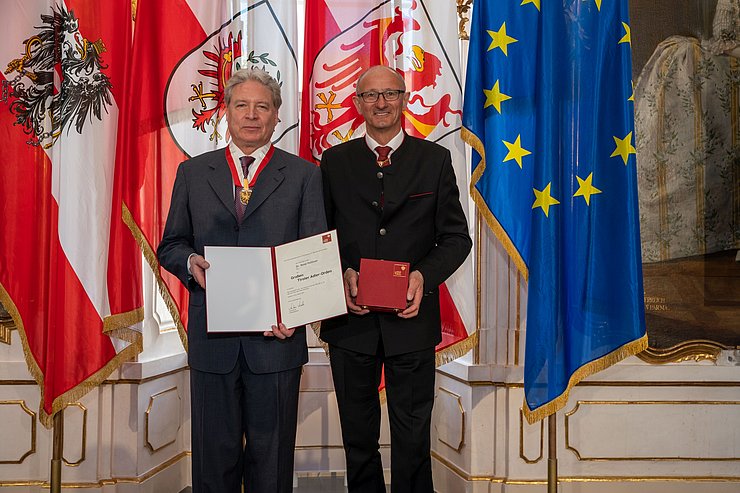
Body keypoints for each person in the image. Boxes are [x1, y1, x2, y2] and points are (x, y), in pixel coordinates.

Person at [157, 68, 326, 493]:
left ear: (276, 116)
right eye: (242, 105)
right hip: (213, 342)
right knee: (213, 460)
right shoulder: (193, 173)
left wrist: (297, 313)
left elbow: (312, 257)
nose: (252, 115)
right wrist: (190, 261)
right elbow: (171, 245)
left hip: (277, 342)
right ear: (226, 112)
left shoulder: (305, 175)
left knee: (271, 463)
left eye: (262, 107)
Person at [320, 65, 472, 492]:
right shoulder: (334, 163)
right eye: (371, 96)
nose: (381, 103)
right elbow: (318, 238)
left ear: (405, 99)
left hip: (413, 324)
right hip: (350, 326)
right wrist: (341, 275)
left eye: (390, 94)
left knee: (412, 436)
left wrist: (424, 276)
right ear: (357, 104)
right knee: (358, 436)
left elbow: (457, 239)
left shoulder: (435, 160)